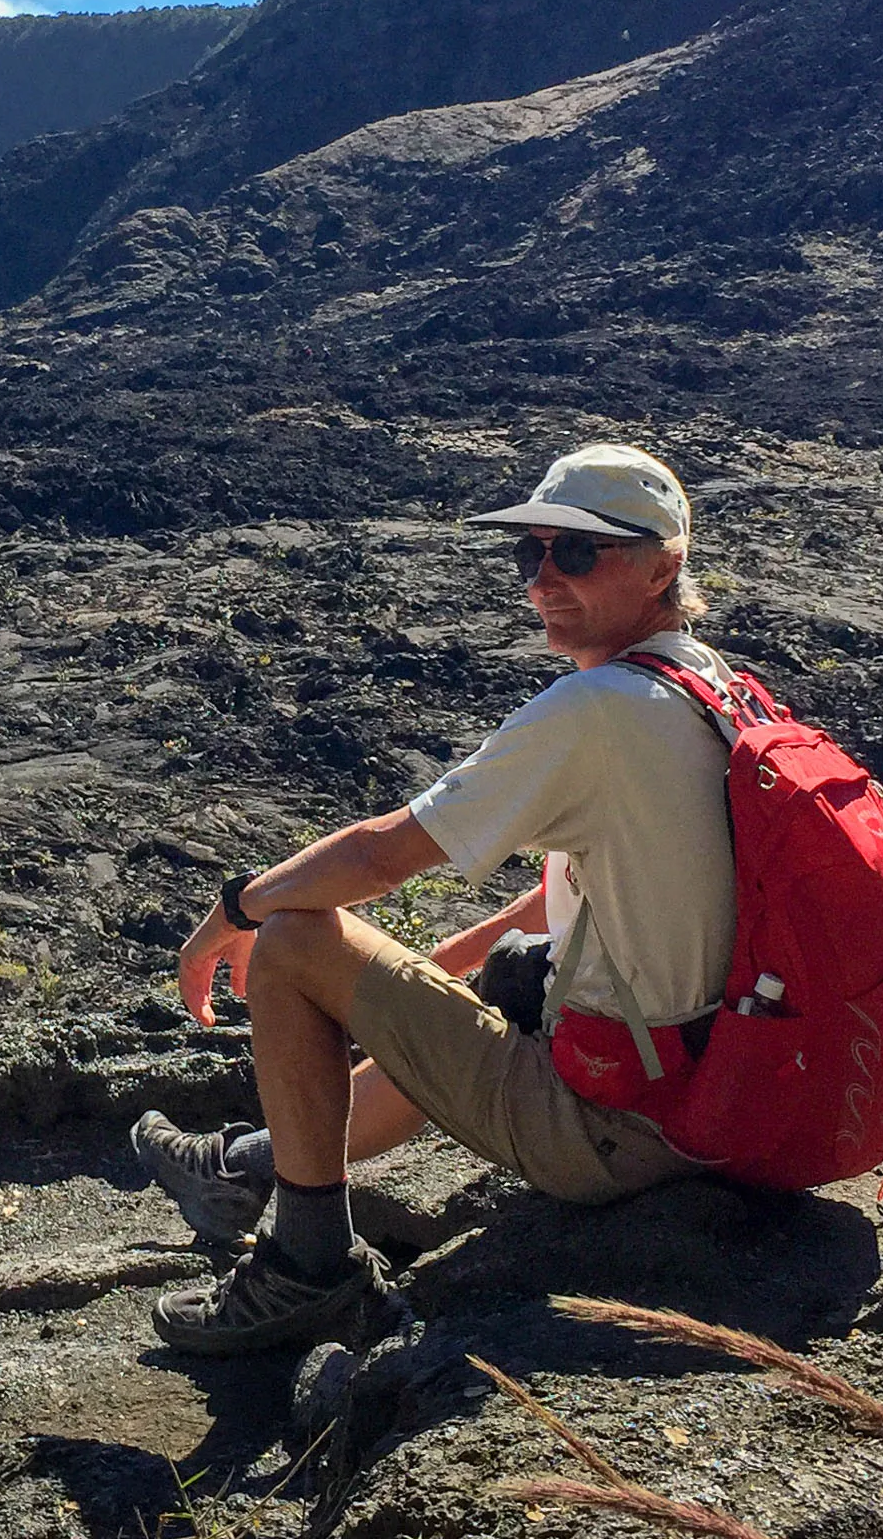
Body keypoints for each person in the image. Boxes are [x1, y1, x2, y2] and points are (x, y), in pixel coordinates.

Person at [134, 442, 743, 1355]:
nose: (543, 581)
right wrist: (417, 985)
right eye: (529, 555)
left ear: (664, 565)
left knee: (300, 935)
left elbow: (382, 857)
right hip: (711, 1090)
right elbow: (555, 907)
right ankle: (248, 1168)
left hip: (616, 1131)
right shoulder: (713, 689)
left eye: (577, 554)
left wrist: (236, 909)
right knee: (511, 971)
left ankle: (308, 1271)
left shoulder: (603, 711)